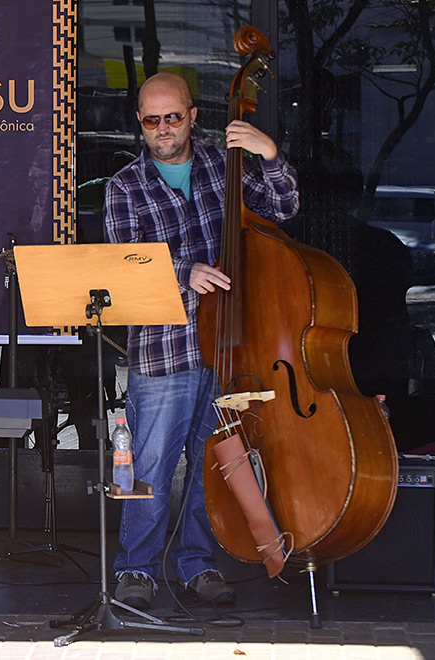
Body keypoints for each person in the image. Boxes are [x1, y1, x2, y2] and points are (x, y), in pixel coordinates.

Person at [104, 72, 299, 609]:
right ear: (140, 124)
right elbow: (125, 264)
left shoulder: (223, 164)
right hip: (165, 352)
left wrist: (270, 154)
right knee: (149, 468)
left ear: (193, 114)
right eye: (151, 119)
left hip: (234, 347)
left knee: (213, 465)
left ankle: (196, 564)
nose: (163, 128)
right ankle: (136, 570)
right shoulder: (125, 186)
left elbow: (283, 211)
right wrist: (183, 272)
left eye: (173, 116)